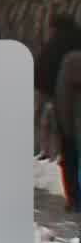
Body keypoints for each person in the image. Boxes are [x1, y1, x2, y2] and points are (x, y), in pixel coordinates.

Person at [34, 13, 81, 212]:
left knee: (69, 154)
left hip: (63, 104)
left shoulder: (54, 48)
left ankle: (74, 199)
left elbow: (40, 75)